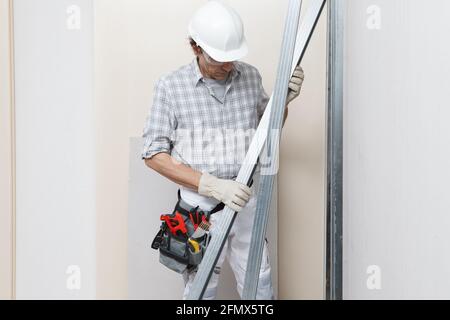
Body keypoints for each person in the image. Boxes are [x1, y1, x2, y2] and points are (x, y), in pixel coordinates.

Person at [142, 0, 304, 300]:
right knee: (201, 288)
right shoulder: (170, 87)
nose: (229, 65)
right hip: (200, 209)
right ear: (195, 48)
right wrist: (211, 185)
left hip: (244, 201)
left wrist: (284, 100)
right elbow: (153, 154)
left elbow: (266, 131)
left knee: (260, 283)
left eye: (233, 57)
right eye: (220, 58)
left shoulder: (251, 76)